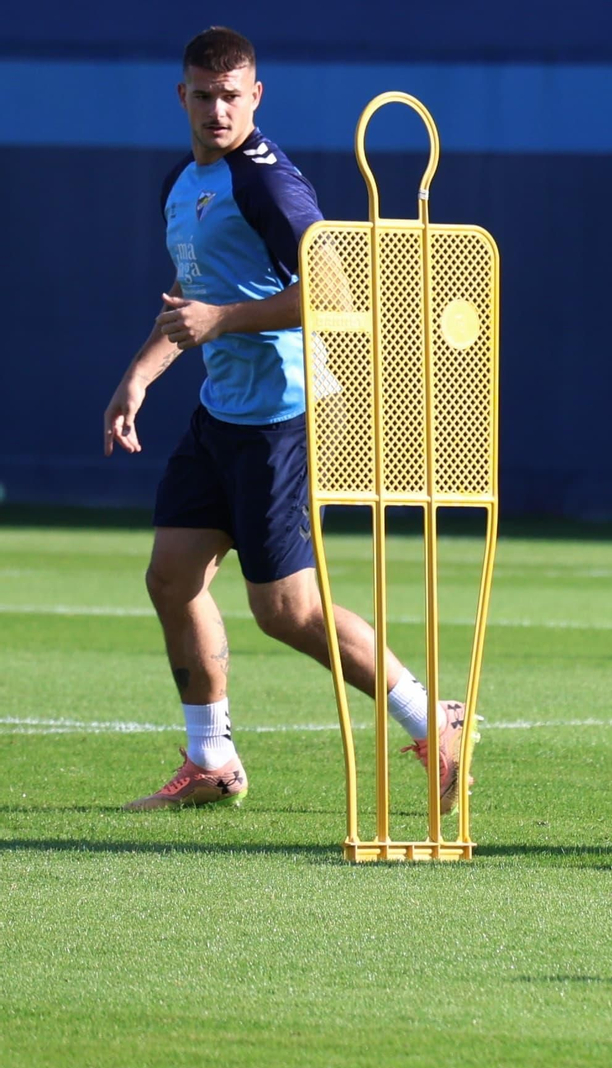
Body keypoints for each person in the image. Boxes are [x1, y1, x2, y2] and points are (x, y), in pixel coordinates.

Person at [103, 27, 470, 811]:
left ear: (256, 96)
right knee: (171, 575)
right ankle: (211, 761)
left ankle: (433, 715)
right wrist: (137, 377)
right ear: (183, 96)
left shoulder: (267, 184)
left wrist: (223, 321)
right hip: (221, 418)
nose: (217, 109)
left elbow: (337, 291)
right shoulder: (184, 182)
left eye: (231, 95)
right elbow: (190, 296)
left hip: (287, 418)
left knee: (286, 611)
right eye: (203, 95)